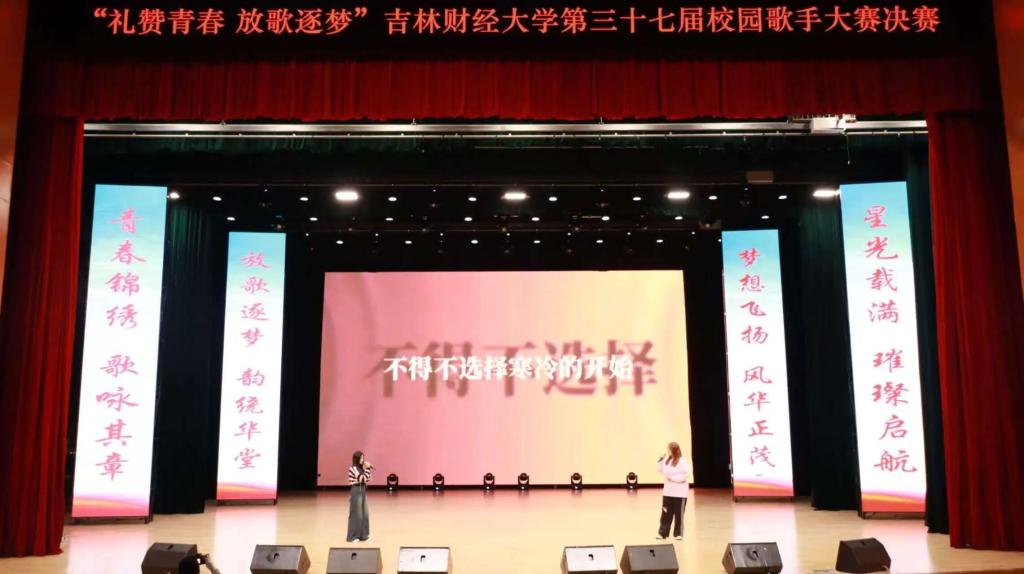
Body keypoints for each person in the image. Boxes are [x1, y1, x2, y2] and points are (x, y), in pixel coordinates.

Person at [656, 442, 689, 540]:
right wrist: (660, 461)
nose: (667, 451)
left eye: (669, 449)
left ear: (674, 450)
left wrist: (673, 478)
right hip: (668, 491)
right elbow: (660, 470)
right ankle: (662, 533)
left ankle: (679, 533)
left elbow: (685, 474)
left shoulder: (682, 461)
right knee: (665, 513)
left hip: (679, 493)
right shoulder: (667, 460)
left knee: (679, 514)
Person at [347, 450, 373, 542]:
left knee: (364, 513)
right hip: (356, 490)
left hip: (363, 490)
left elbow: (368, 479)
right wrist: (368, 469)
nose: (363, 459)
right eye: (361, 458)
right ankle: (353, 536)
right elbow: (362, 478)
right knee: (356, 514)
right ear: (357, 459)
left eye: (363, 457)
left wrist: (367, 469)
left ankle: (364, 535)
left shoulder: (361, 468)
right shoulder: (353, 468)